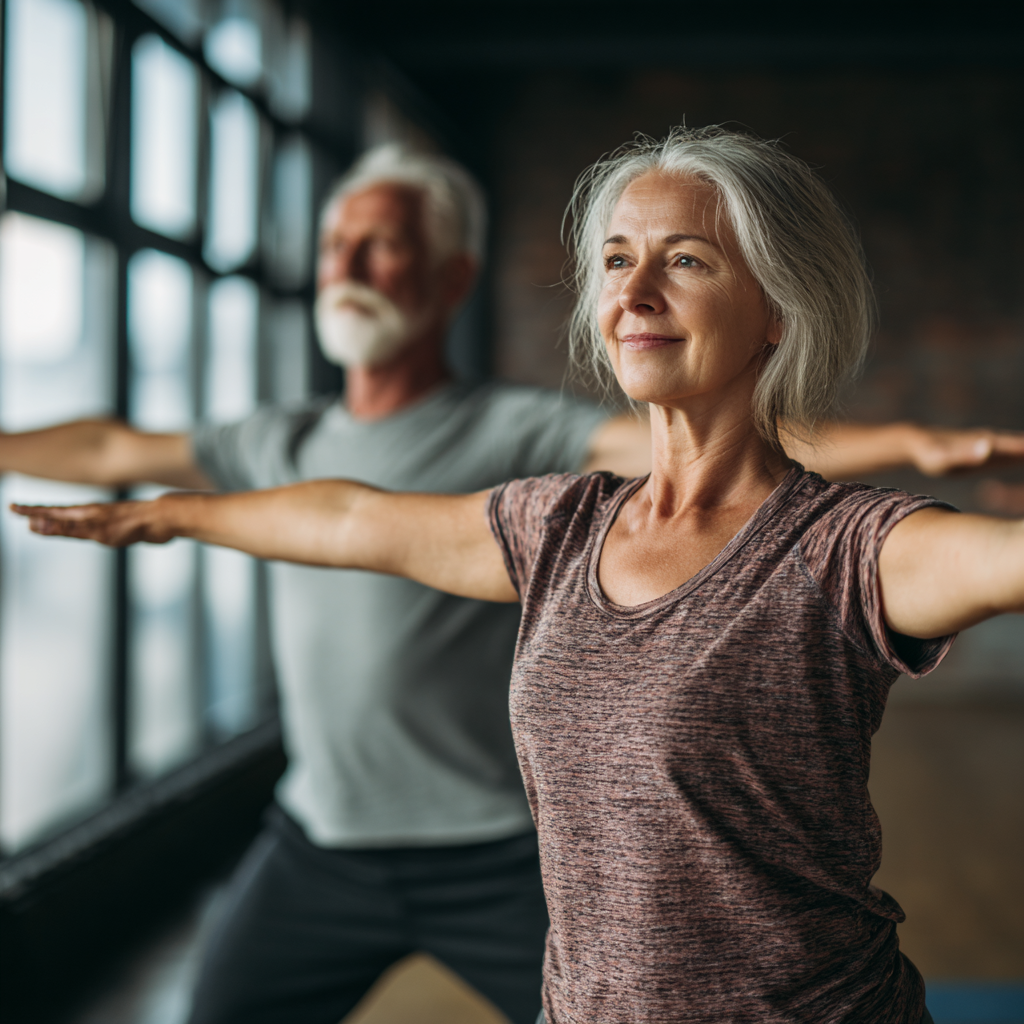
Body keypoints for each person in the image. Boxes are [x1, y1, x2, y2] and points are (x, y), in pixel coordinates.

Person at [7, 137, 1024, 1024]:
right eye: (617, 260)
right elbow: (352, 516)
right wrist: (173, 513)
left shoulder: (847, 548)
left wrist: (922, 451)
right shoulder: (560, 525)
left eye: (685, 261)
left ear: (775, 310)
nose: (632, 292)